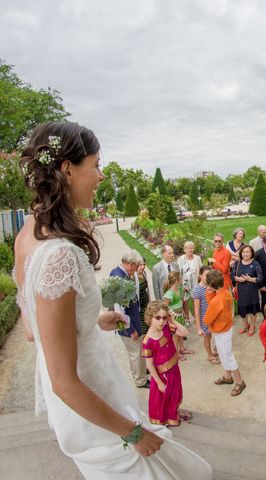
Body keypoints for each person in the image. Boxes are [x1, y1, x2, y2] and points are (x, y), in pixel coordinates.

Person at [13, 121, 211, 477]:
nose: (101, 176)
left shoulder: (27, 234)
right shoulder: (60, 254)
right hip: (90, 397)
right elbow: (64, 382)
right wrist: (133, 433)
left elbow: (33, 330)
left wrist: (88, 321)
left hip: (79, 401)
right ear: (67, 169)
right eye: (96, 164)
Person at [142, 301, 189, 426]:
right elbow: (149, 365)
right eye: (157, 318)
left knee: (175, 394)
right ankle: (167, 419)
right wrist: (159, 383)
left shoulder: (167, 326)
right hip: (162, 376)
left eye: (164, 317)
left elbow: (184, 333)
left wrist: (172, 320)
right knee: (163, 400)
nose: (161, 321)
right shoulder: (148, 341)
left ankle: (175, 413)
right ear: (149, 317)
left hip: (174, 369)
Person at [204, 270, 246, 396]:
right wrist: (210, 293)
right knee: (223, 353)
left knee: (227, 355)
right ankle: (228, 376)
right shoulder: (225, 292)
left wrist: (208, 293)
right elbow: (212, 303)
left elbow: (207, 319)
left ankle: (239, 381)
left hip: (221, 330)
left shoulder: (217, 301)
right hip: (226, 327)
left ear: (211, 285)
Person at [111, 250, 149, 388]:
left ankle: (138, 374)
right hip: (129, 325)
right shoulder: (121, 279)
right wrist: (130, 329)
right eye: (137, 265)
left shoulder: (116, 272)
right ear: (132, 264)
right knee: (136, 353)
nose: (137, 268)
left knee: (135, 352)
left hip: (130, 321)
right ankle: (141, 380)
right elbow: (118, 309)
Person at [232, 244, 263, 336]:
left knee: (252, 310)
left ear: (251, 253)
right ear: (241, 253)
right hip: (241, 291)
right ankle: (245, 325)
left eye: (247, 252)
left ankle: (252, 326)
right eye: (244, 252)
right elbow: (232, 276)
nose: (245, 254)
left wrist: (250, 279)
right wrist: (238, 279)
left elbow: (260, 278)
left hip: (252, 292)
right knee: (242, 310)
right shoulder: (237, 264)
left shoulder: (255, 264)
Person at [193, 265, 219, 364]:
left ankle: (216, 349)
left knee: (217, 334)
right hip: (205, 318)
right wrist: (198, 328)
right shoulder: (197, 290)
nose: (208, 278)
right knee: (207, 336)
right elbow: (196, 310)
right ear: (200, 275)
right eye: (205, 275)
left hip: (215, 316)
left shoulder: (212, 286)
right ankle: (209, 355)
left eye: (210, 275)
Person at [163, 271, 192, 358]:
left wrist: (183, 312)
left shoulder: (179, 289)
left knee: (181, 333)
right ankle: (176, 353)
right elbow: (165, 307)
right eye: (180, 279)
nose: (181, 280)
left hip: (180, 315)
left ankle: (182, 349)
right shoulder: (169, 293)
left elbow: (181, 302)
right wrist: (169, 319)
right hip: (174, 317)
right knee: (176, 336)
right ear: (177, 280)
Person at [177, 241, 202, 325]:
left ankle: (196, 318)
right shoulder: (180, 259)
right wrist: (180, 284)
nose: (190, 250)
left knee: (197, 300)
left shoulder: (197, 258)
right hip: (185, 284)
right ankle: (187, 319)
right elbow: (178, 273)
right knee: (185, 301)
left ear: (194, 249)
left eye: (191, 248)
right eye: (187, 248)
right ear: (184, 249)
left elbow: (201, 271)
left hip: (195, 282)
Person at [136, 259, 151, 336]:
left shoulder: (144, 273)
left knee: (148, 322)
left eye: (144, 265)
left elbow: (147, 289)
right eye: (140, 265)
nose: (143, 267)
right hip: (139, 304)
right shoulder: (134, 276)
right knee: (142, 326)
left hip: (146, 301)